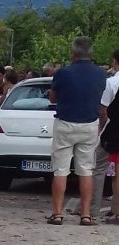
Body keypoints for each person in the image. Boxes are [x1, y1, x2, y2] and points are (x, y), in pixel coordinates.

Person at [47, 37, 105, 226]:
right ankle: (86, 214)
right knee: (86, 170)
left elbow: (54, 97)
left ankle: (57, 213)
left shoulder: (63, 73)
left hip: (65, 123)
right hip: (89, 124)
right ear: (91, 54)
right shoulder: (101, 74)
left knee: (61, 170)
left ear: (73, 53)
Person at [93, 50, 119, 222]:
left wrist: (102, 132)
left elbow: (104, 110)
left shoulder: (111, 82)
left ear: (115, 62)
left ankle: (92, 208)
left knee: (98, 168)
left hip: (112, 131)